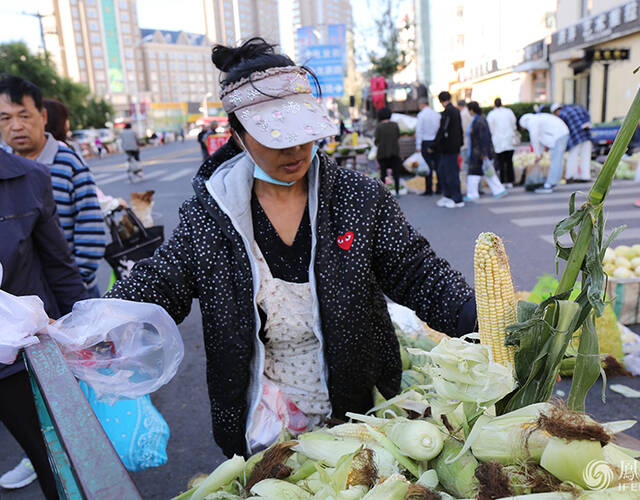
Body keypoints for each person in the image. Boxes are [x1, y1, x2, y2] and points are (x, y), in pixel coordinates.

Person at [105, 37, 477, 458]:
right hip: (260, 415)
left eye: (303, 133)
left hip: (355, 412)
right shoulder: (210, 216)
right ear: (239, 135)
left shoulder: (359, 198)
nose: (295, 149)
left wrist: (477, 317)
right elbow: (160, 283)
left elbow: (417, 272)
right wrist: (96, 325)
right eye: (274, 137)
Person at [0, 149, 88, 498]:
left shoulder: (28, 178)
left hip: (25, 354)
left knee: (52, 456)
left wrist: (80, 328)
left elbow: (58, 263)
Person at [0, 76, 106, 296]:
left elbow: (91, 229)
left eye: (24, 116)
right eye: (5, 118)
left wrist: (75, 286)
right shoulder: (5, 169)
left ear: (43, 116)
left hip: (70, 289)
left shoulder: (69, 163)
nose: (16, 126)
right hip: (25, 298)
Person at [465, 101, 507, 201]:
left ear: (471, 110)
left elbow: (484, 138)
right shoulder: (479, 119)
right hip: (479, 152)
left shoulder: (479, 121)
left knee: (475, 173)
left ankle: (473, 194)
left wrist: (484, 153)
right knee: (487, 172)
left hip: (479, 152)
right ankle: (498, 190)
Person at [519, 112, 570, 194]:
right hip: (561, 134)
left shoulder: (532, 122)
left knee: (556, 160)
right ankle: (552, 182)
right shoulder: (537, 119)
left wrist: (537, 155)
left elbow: (534, 139)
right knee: (557, 159)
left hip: (559, 135)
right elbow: (540, 138)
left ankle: (549, 185)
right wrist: (540, 154)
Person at [432, 91, 464, 208]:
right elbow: (460, 129)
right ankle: (449, 196)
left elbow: (442, 130)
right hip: (453, 147)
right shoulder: (455, 111)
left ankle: (456, 198)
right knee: (446, 171)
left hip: (448, 148)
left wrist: (434, 145)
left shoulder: (448, 112)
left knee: (450, 173)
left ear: (441, 101)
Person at [552, 103, 592, 182]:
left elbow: (562, 130)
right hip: (586, 135)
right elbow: (587, 117)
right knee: (586, 157)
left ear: (557, 110)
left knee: (572, 157)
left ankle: (570, 176)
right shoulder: (578, 108)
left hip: (575, 138)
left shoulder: (562, 114)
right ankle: (585, 177)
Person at [487, 98, 517, 187]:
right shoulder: (509, 112)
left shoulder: (492, 114)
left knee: (500, 162)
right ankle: (510, 181)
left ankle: (503, 181)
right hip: (509, 140)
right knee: (509, 162)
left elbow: (490, 128)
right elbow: (513, 123)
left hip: (498, 141)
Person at [415, 97, 441, 195]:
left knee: (427, 166)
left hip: (425, 142)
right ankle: (439, 187)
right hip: (436, 142)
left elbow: (419, 131)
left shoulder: (421, 115)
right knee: (438, 165)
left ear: (421, 105)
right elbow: (439, 129)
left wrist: (418, 146)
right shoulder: (436, 114)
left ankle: (429, 188)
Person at [374, 107, 402, 197]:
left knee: (383, 174)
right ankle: (397, 192)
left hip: (382, 154)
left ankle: (383, 193)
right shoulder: (395, 125)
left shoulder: (379, 127)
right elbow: (398, 136)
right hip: (395, 152)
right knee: (396, 174)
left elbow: (376, 140)